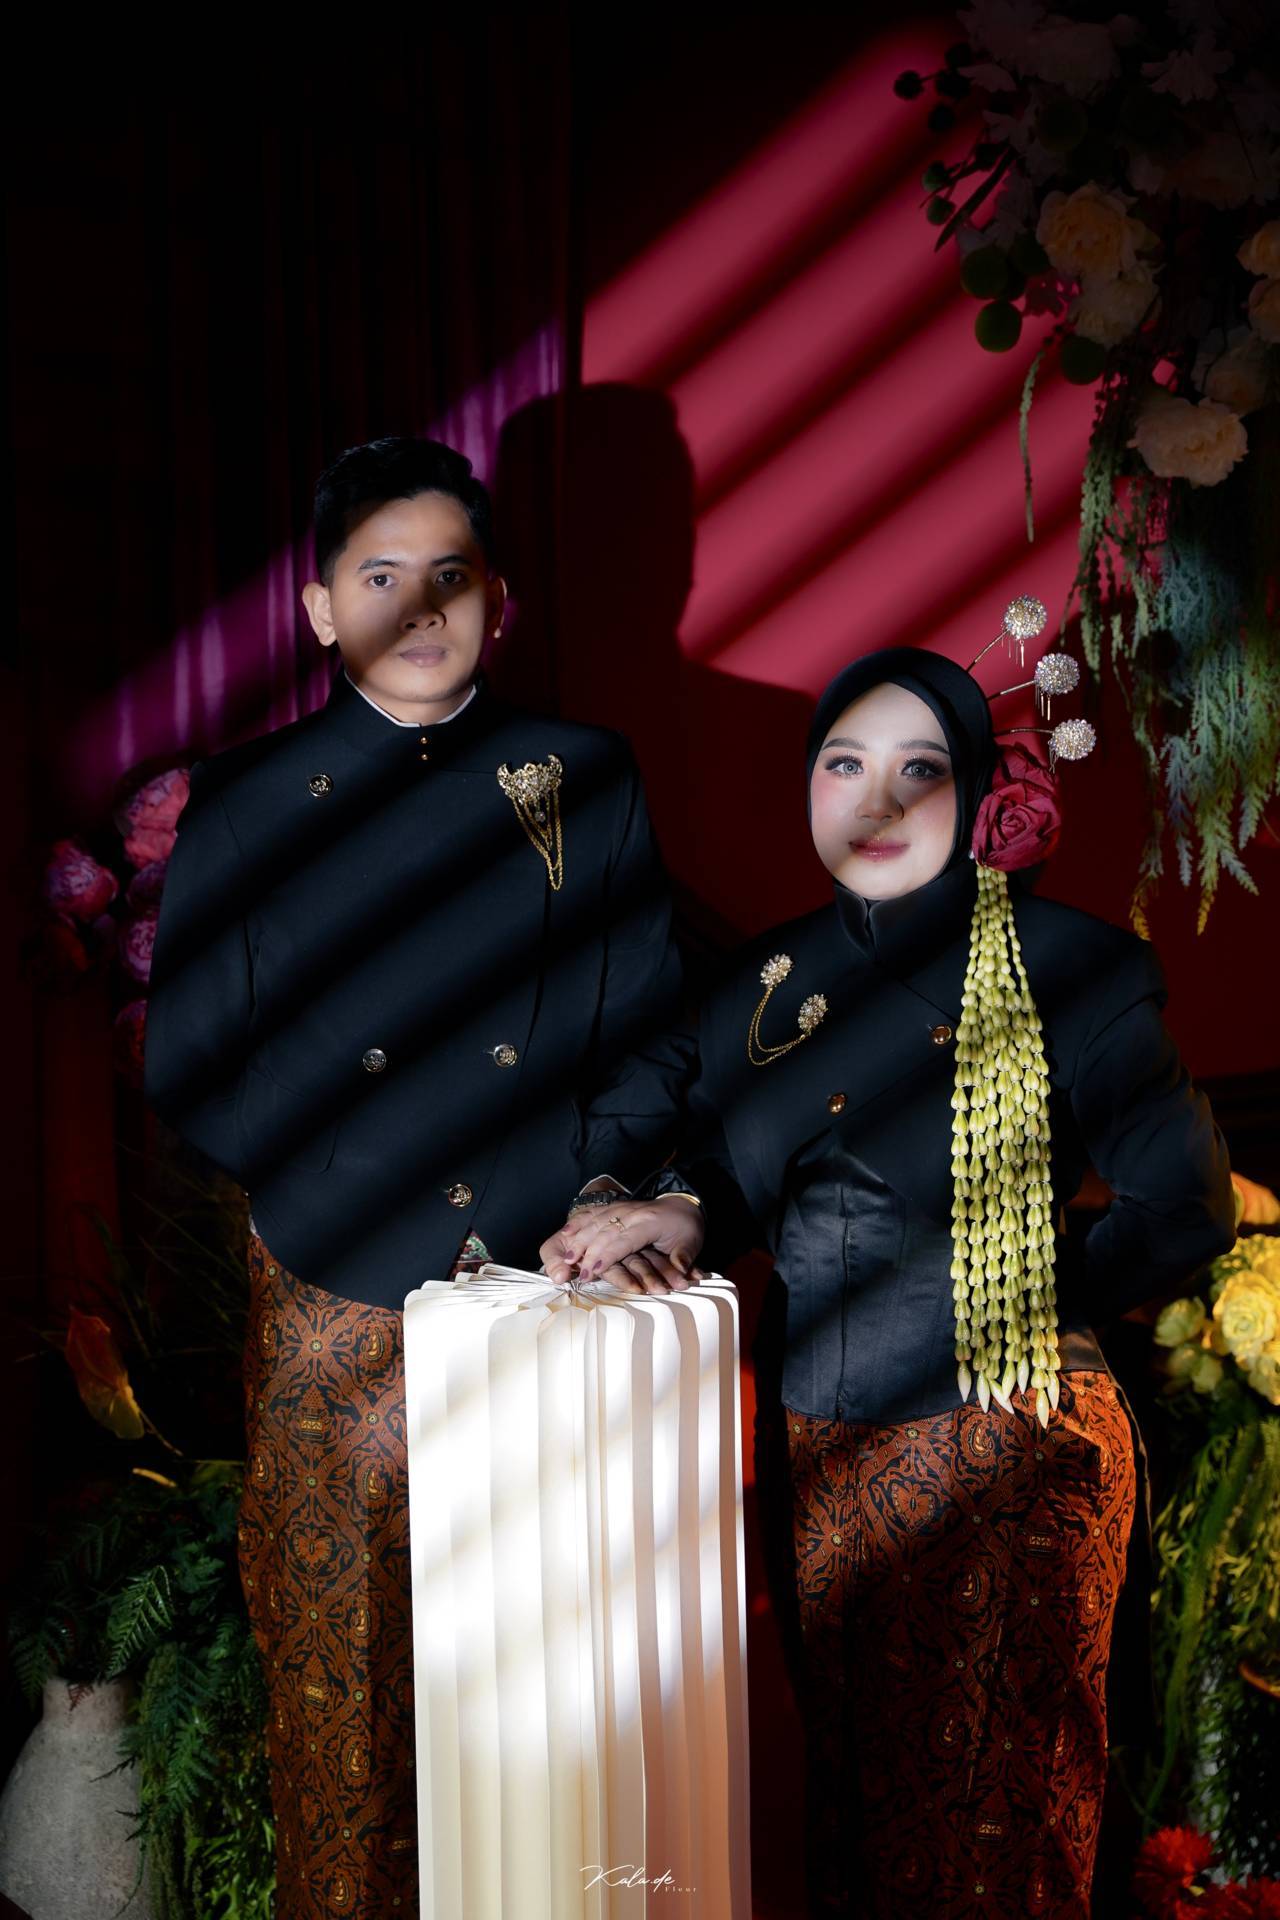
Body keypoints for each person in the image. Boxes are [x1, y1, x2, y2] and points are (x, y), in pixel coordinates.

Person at [544, 642, 1236, 1920]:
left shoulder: (1067, 965)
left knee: (993, 1838)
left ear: (974, 795)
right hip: (818, 1449)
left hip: (1005, 1447)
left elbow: (1183, 1206)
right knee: (856, 1825)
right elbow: (739, 1161)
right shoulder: (762, 981)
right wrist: (679, 1208)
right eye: (843, 764)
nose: (874, 800)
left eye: (918, 770)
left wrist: (1015, 1297)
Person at [145, 436, 693, 1916]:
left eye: (450, 573)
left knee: (552, 1677)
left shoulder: (583, 774)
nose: (419, 605)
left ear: (499, 598)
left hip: (547, 1280)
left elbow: (652, 1026)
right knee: (345, 1675)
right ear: (322, 610)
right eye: (380, 575)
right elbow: (190, 1064)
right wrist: (345, 1180)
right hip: (335, 1279)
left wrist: (599, 1191)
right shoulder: (247, 799)